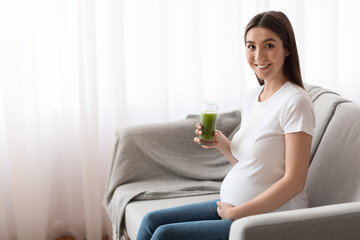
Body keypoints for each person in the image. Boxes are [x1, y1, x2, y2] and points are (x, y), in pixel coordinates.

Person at [136, 10, 315, 240]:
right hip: (233, 208)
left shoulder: (295, 101)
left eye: (269, 45)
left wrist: (237, 213)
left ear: (287, 49)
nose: (258, 55)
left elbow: (294, 182)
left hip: (268, 218)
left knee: (164, 235)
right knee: (151, 221)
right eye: (251, 46)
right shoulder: (253, 98)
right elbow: (252, 163)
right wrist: (221, 143)